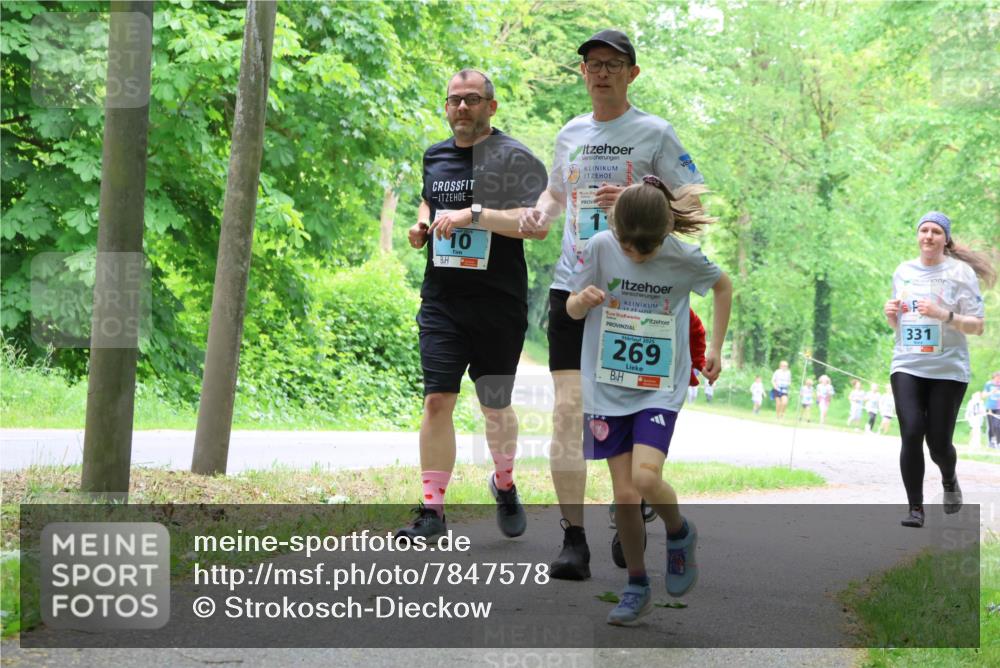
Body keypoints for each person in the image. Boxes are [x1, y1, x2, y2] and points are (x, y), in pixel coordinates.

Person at [518, 29, 706, 579]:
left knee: (623, 404)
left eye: (613, 64)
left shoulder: (655, 132)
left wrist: (641, 199)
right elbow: (557, 193)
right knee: (568, 411)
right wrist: (540, 212)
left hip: (632, 288)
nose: (601, 72)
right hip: (574, 285)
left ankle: (630, 505)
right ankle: (573, 540)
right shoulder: (570, 133)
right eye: (592, 64)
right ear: (582, 73)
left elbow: (693, 197)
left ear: (632, 74)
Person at [567, 175, 732, 625]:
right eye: (628, 247)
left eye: (647, 250)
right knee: (624, 495)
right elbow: (571, 308)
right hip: (606, 386)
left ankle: (679, 531)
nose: (637, 256)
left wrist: (716, 348)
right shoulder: (599, 247)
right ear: (615, 229)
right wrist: (582, 300)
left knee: (645, 478)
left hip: (659, 387)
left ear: (665, 234)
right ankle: (637, 585)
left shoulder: (683, 256)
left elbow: (723, 286)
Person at [397, 69, 549, 541]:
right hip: (443, 300)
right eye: (454, 100)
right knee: (437, 399)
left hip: (498, 302)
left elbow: (536, 224)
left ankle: (504, 483)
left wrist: (476, 215)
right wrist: (421, 225)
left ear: (491, 106)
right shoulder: (435, 155)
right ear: (446, 107)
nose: (462, 107)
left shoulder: (515, 156)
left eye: (472, 99)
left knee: (494, 406)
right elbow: (429, 201)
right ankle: (432, 512)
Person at [884, 211, 993, 528]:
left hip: (948, 369)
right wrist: (891, 316)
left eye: (935, 231)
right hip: (907, 363)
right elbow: (901, 325)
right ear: (917, 236)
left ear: (946, 239)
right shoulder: (903, 271)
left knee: (939, 444)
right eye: (924, 230)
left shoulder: (961, 273)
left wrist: (944, 315)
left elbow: (978, 326)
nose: (928, 236)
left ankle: (949, 478)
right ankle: (915, 509)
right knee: (911, 432)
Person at [985, 371, 1000, 449]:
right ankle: (991, 442)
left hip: (999, 407)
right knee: (991, 426)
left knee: (997, 425)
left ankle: (998, 442)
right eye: (997, 378)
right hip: (990, 407)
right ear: (994, 378)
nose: (998, 380)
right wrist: (991, 392)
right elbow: (984, 395)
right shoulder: (988, 384)